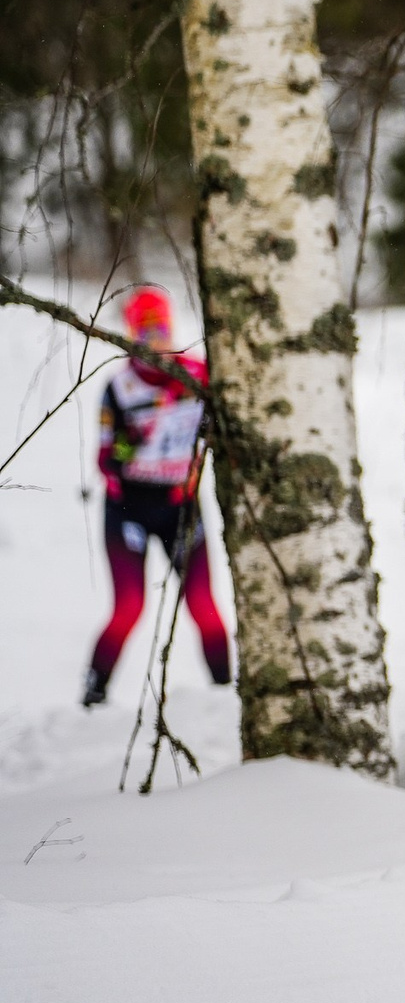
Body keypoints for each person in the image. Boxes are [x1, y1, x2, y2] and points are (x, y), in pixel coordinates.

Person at [83, 285, 230, 707]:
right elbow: (106, 459)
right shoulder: (121, 388)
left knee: (204, 606)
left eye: (161, 330)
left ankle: (226, 693)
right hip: (128, 508)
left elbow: (216, 427)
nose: (155, 342)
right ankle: (93, 694)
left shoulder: (196, 375)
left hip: (180, 506)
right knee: (129, 608)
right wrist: (133, 441)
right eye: (144, 333)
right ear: (131, 335)